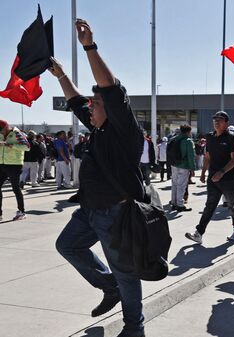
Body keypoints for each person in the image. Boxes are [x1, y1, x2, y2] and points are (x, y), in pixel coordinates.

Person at [50, 19, 146, 337]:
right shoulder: (98, 127)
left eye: (97, 103)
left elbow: (111, 89)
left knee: (126, 271)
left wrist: (89, 47)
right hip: (90, 210)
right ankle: (110, 286)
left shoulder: (125, 131)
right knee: (68, 246)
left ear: (114, 108)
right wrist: (61, 74)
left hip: (117, 212)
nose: (91, 107)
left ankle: (134, 328)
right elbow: (77, 101)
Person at [185, 111, 234, 244]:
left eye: (220, 120)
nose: (216, 122)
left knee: (232, 206)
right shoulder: (210, 137)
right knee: (209, 206)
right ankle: (199, 233)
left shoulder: (231, 137)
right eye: (215, 119)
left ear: (226, 123)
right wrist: (203, 172)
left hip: (230, 179)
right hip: (213, 179)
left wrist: (222, 172)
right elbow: (208, 157)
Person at [0, 120, 30, 221]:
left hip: (14, 164)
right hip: (2, 163)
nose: (1, 133)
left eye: (2, 130)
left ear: (7, 127)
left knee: (15, 188)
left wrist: (10, 145)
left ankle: (21, 212)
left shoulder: (17, 133)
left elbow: (27, 147)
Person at [169, 125, 195, 212]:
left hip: (173, 165)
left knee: (174, 184)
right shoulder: (188, 141)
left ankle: (173, 203)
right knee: (181, 186)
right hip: (184, 166)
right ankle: (180, 205)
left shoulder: (173, 139)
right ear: (188, 132)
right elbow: (191, 156)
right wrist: (192, 169)